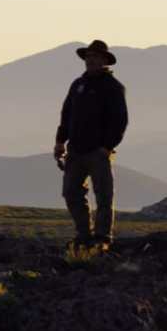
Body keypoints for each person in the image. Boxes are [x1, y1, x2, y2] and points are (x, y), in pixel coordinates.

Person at [54, 39, 129, 251]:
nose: (91, 60)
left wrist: (107, 146)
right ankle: (84, 235)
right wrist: (60, 141)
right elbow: (67, 114)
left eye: (95, 57)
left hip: (98, 152)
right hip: (75, 150)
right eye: (88, 57)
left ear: (105, 60)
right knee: (71, 193)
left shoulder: (113, 88)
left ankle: (103, 237)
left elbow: (120, 121)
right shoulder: (78, 85)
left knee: (104, 195)